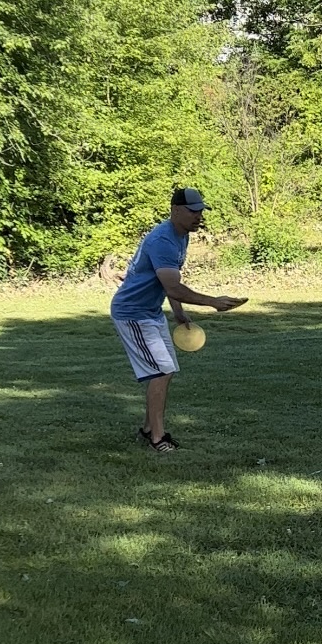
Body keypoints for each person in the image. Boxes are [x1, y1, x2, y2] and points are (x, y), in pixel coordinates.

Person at [110, 188, 247, 453]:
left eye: (200, 210)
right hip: (133, 313)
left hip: (151, 312)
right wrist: (213, 301)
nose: (198, 216)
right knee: (162, 371)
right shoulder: (163, 240)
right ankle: (157, 439)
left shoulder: (181, 236)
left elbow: (168, 283)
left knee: (166, 370)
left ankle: (149, 429)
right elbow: (173, 287)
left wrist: (179, 312)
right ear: (175, 211)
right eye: (192, 211)